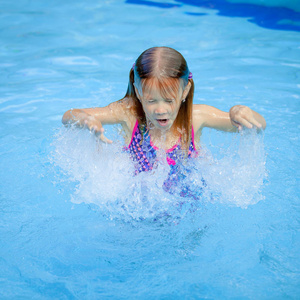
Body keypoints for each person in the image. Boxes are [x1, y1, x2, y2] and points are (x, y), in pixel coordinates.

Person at [62, 46, 266, 176]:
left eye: (169, 100)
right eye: (151, 100)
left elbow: (258, 125)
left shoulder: (197, 117)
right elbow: (68, 116)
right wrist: (87, 119)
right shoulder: (129, 113)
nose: (161, 109)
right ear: (138, 91)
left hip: (189, 209)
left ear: (185, 90)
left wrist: (239, 111)